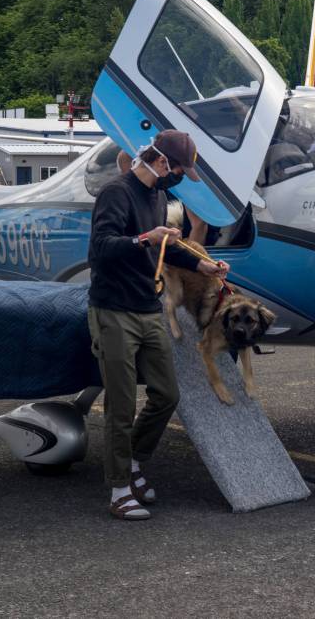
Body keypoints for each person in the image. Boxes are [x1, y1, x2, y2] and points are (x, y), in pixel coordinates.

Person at [88, 129, 229, 520]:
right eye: (180, 170)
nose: (180, 178)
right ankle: (118, 490)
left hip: (148, 310)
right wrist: (145, 239)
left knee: (167, 394)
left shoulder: (159, 195)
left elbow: (164, 247)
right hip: (114, 311)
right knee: (120, 406)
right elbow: (101, 249)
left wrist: (199, 263)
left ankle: (133, 462)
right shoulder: (116, 193)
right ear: (162, 162)